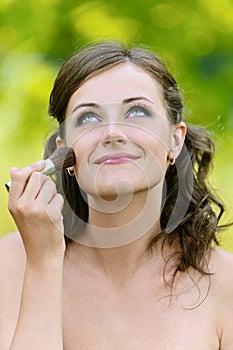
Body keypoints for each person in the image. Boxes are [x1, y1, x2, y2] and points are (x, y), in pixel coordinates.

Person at [0, 41, 233, 350]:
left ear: (175, 141)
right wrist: (43, 262)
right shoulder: (10, 263)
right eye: (88, 118)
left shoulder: (224, 282)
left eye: (137, 111)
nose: (112, 132)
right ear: (65, 153)